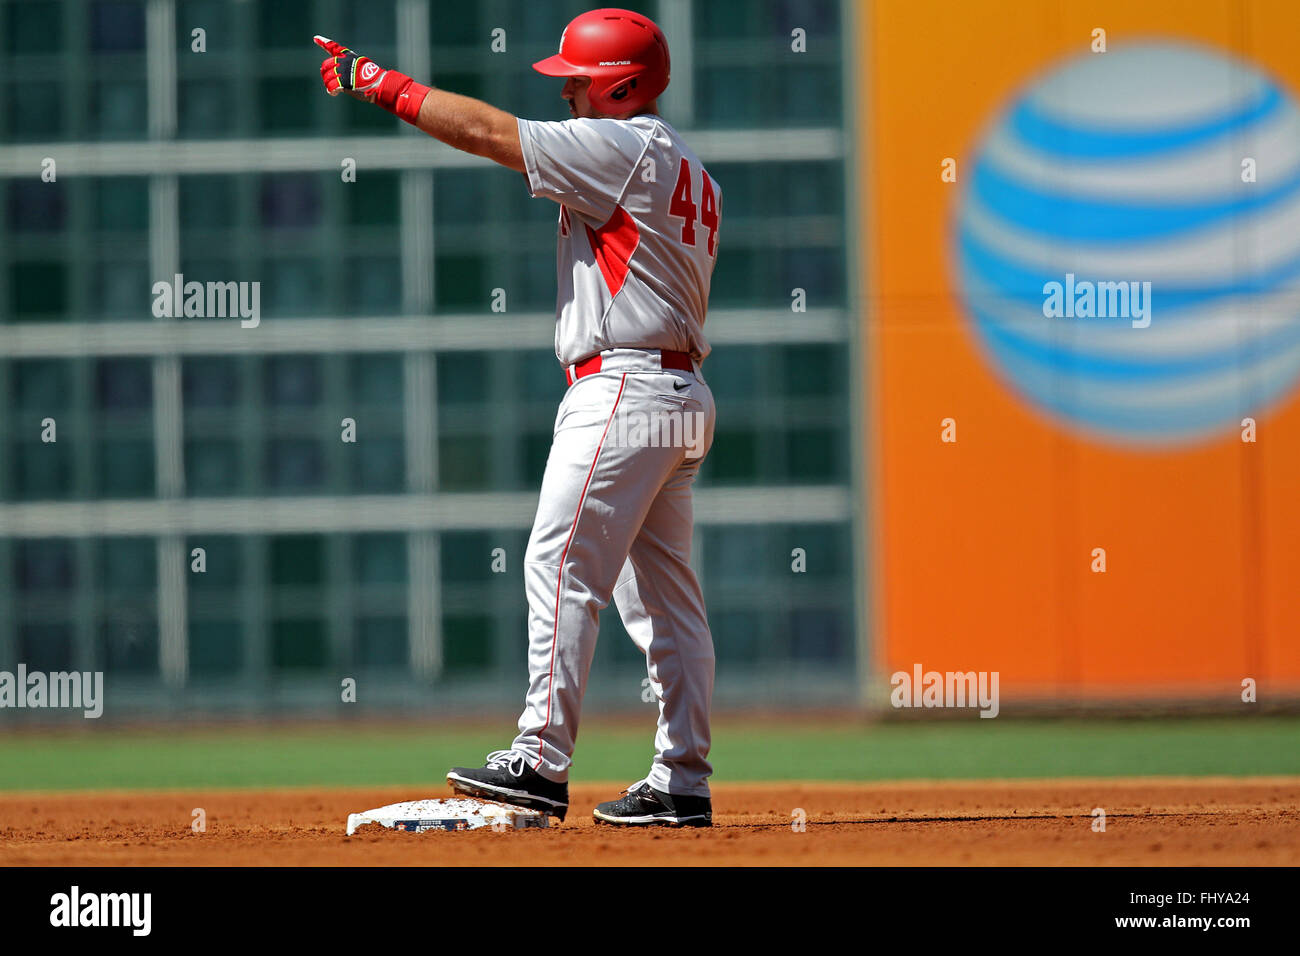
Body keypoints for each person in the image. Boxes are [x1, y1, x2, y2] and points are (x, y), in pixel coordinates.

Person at [315, 7, 721, 827]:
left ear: (624, 87)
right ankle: (682, 780)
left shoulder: (622, 145)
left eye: (578, 81)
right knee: (666, 602)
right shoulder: (690, 169)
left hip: (624, 386)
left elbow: (492, 133)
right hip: (679, 398)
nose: (567, 93)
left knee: (559, 562)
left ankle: (539, 759)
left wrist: (378, 81)